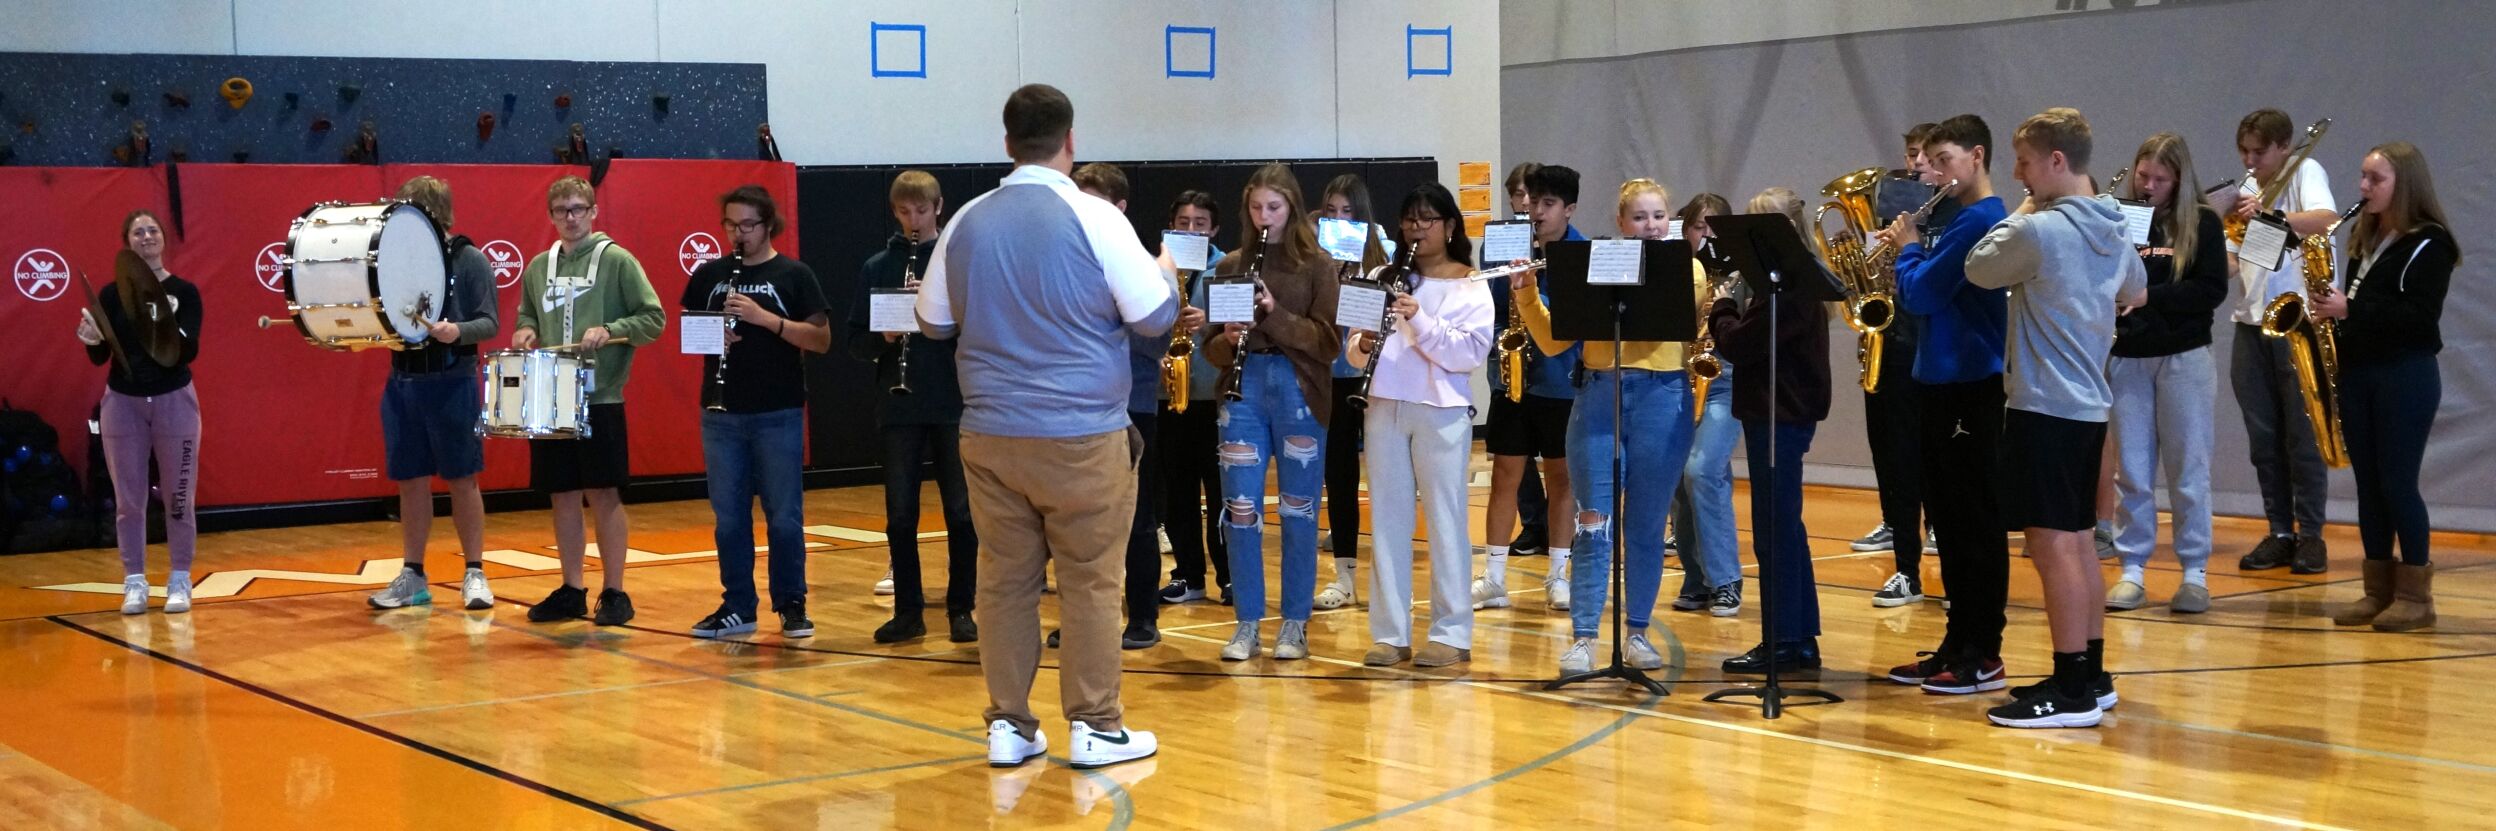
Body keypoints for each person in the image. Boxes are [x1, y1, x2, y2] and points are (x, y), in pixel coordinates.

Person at [916, 83, 1173, 769]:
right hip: (1082, 432)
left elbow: (933, 323)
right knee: (1091, 578)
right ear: (1071, 140)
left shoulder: (967, 219)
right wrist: (1165, 274)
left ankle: (1009, 723)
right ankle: (1095, 723)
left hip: (992, 433)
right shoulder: (1095, 217)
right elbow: (1155, 319)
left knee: (1003, 580)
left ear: (1006, 143)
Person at [1966, 108, 2146, 728]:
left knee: (2052, 546)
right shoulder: (2113, 222)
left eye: (2024, 161)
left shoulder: (2039, 231)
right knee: (2076, 542)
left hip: (2045, 404)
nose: (2017, 174)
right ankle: (2089, 674)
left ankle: (2071, 691)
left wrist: (2025, 210)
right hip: (2089, 404)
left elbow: (1978, 267)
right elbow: (2137, 291)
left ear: (2056, 162)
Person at [1510, 178, 1708, 674]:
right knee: (1592, 523)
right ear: (1620, 224)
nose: (1651, 226)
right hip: (1600, 395)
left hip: (1663, 398)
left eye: (1659, 216)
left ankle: (1637, 631)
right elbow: (1557, 343)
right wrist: (1528, 292)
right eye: (1639, 218)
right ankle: (1582, 637)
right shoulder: (1597, 265)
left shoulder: (1690, 269)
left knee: (1644, 523)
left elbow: (1670, 319)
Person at [1878, 114, 2013, 695]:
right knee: (1951, 523)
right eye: (1927, 163)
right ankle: (1957, 643)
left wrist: (1907, 252)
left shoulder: (1981, 219)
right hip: (1939, 379)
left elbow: (1925, 292)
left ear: (1976, 157)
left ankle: (1982, 652)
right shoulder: (1953, 218)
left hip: (1968, 384)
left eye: (1943, 161)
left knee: (1972, 523)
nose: (1930, 173)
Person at [2314, 141, 2458, 632]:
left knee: (2398, 483)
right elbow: (2361, 306)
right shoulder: (2367, 236)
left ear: (2404, 184)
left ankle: (2417, 598)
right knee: (2369, 487)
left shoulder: (2430, 244)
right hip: (2362, 372)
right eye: (2362, 176)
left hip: (2406, 374)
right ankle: (2377, 590)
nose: (2363, 187)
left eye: (2375, 179)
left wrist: (2350, 310)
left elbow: (2419, 320)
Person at [511, 175, 665, 627]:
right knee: (561, 494)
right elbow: (526, 312)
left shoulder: (617, 260)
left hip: (600, 395)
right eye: (562, 211)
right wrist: (524, 330)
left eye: (579, 208)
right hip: (550, 392)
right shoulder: (539, 266)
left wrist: (613, 330)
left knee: (603, 492)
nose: (571, 218)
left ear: (594, 211)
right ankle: (572, 587)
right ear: (551, 216)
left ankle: (615, 590)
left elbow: (653, 317)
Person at [1349, 183, 1492, 668]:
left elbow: (1468, 354)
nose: (1417, 228)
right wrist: (1363, 343)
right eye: (1410, 219)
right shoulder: (1380, 274)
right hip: (1383, 404)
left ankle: (1451, 633)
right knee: (1386, 521)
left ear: (1450, 226)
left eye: (1427, 219)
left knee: (1446, 520)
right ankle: (1390, 633)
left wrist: (1420, 318)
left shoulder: (1472, 283)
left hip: (1441, 410)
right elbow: (1351, 345)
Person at [1204, 163, 1343, 662]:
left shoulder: (1318, 265)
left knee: (1297, 510)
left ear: (1292, 207)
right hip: (1242, 392)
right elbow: (1211, 352)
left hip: (1298, 389)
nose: (1265, 217)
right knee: (1240, 510)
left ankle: (1294, 623)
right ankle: (1247, 622)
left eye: (1275, 207)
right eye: (1257, 207)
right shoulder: (1230, 266)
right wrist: (1225, 338)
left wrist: (1273, 315)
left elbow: (1328, 343)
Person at [683, 185, 831, 640]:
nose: (738, 233)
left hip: (777, 411)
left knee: (783, 516)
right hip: (721, 412)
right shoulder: (710, 274)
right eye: (731, 224)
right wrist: (715, 337)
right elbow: (689, 336)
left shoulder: (793, 274)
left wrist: (766, 318)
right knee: (729, 518)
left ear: (768, 225)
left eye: (747, 225)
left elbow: (821, 340)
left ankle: (791, 603)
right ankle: (738, 606)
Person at [850, 170, 980, 644]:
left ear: (938, 207)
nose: (914, 221)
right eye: (905, 212)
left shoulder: (957, 261)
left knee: (962, 513)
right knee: (900, 515)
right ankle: (909, 611)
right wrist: (882, 337)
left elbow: (980, 330)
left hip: (951, 401)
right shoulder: (878, 266)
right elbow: (854, 344)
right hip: (899, 405)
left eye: (921, 211)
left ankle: (961, 608)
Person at [1709, 188, 1835, 674]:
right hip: (1781, 412)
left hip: (1780, 414)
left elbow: (1741, 345)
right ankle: (1799, 638)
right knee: (1784, 527)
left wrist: (1721, 308)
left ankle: (1783, 640)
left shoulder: (1787, 286)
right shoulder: (1788, 280)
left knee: (1774, 530)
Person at [2103, 133, 2229, 614]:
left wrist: (2148, 298)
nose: (2149, 185)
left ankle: (2194, 571)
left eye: (2160, 178)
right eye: (2143, 176)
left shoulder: (2201, 223)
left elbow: (2210, 290)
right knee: (2131, 469)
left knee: (2187, 467)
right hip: (2130, 355)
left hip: (2184, 357)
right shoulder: (2123, 221)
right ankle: (2132, 569)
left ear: (2179, 179)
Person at [366, 176, 502, 612]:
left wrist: (455, 331)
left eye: (409, 210)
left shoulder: (469, 258)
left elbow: (490, 322)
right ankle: (413, 575)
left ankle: (475, 573)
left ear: (430, 213)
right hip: (403, 381)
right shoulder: (394, 263)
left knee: (462, 479)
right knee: (410, 481)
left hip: (453, 380)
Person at [2220, 108, 2340, 575]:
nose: (2251, 162)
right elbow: (2237, 261)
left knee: (2303, 435)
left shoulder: (2305, 171)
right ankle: (2279, 531)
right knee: (2263, 437)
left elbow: (2327, 218)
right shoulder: (2248, 190)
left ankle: (2311, 535)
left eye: (2259, 152)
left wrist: (2273, 214)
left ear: (2283, 148)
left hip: (2297, 323)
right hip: (2251, 322)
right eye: (2244, 152)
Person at [76, 210, 202, 615]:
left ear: (163, 239)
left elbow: (191, 350)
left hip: (174, 399)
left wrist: (167, 321)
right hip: (123, 403)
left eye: (152, 230)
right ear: (127, 242)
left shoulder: (185, 290)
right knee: (128, 500)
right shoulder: (111, 295)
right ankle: (135, 582)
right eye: (137, 231)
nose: (146, 236)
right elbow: (100, 356)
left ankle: (180, 578)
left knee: (178, 497)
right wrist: (91, 339)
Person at [1472, 165, 1584, 613]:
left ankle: (1558, 574)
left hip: (1560, 380)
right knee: (1504, 476)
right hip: (1513, 378)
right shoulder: (1508, 241)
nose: (1536, 211)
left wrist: (1533, 292)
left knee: (1561, 478)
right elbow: (1491, 302)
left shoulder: (1579, 252)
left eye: (1547, 204)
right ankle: (1493, 576)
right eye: (1531, 202)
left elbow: (1572, 319)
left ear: (1568, 209)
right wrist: (1507, 278)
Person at [1072, 161, 1173, 649]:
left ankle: (1143, 615)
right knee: (1079, 517)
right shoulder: (1069, 256)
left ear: (1120, 207)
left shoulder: (1144, 261)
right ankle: (1085, 619)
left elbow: (1154, 343)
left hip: (1132, 402)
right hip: (1080, 403)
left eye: (1095, 202)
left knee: (1136, 515)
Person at [1855, 124, 1948, 606]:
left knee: (1936, 464)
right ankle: (1905, 569)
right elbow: (1872, 276)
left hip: (1930, 347)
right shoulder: (1891, 204)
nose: (1917, 165)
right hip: (1888, 344)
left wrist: (1910, 247)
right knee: (1891, 460)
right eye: (1913, 156)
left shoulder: (1953, 214)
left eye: (1928, 158)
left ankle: (1948, 562)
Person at [1668, 192, 1745, 618]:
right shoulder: (1680, 272)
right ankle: (1697, 578)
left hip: (1724, 381)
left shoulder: (1739, 273)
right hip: (1681, 379)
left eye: (1715, 226)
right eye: (1699, 226)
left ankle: (1726, 580)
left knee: (1702, 470)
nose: (1707, 234)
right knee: (1682, 481)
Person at [1155, 189, 1232, 606]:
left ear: (1214, 229)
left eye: (1199, 223)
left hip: (1214, 397)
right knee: (1178, 490)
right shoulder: (1157, 270)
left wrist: (1208, 323)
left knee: (1220, 491)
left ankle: (1229, 574)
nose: (1190, 229)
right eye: (1182, 222)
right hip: (1170, 394)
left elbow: (1241, 327)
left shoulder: (1227, 267)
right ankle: (1188, 574)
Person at [1314, 173, 1380, 611]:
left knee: (1388, 474)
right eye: (1332, 212)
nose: (1340, 220)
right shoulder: (1315, 260)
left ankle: (1391, 583)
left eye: (1348, 212)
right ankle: (1344, 577)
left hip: (1376, 379)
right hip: (1330, 378)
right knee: (1338, 475)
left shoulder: (1385, 256)